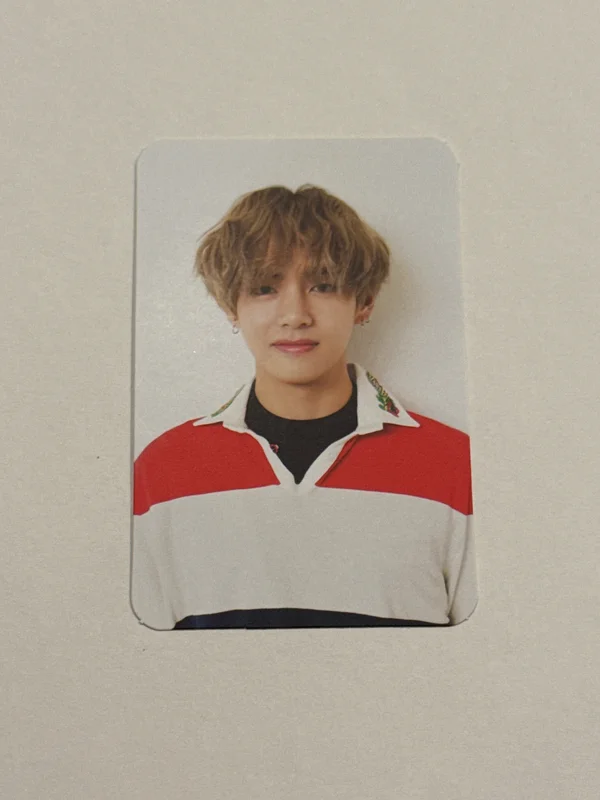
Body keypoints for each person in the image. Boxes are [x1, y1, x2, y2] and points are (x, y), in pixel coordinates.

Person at [131, 184, 478, 630]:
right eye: (264, 288)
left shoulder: (457, 468)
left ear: (365, 302)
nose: (295, 314)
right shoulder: (161, 472)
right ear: (230, 305)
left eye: (323, 285)